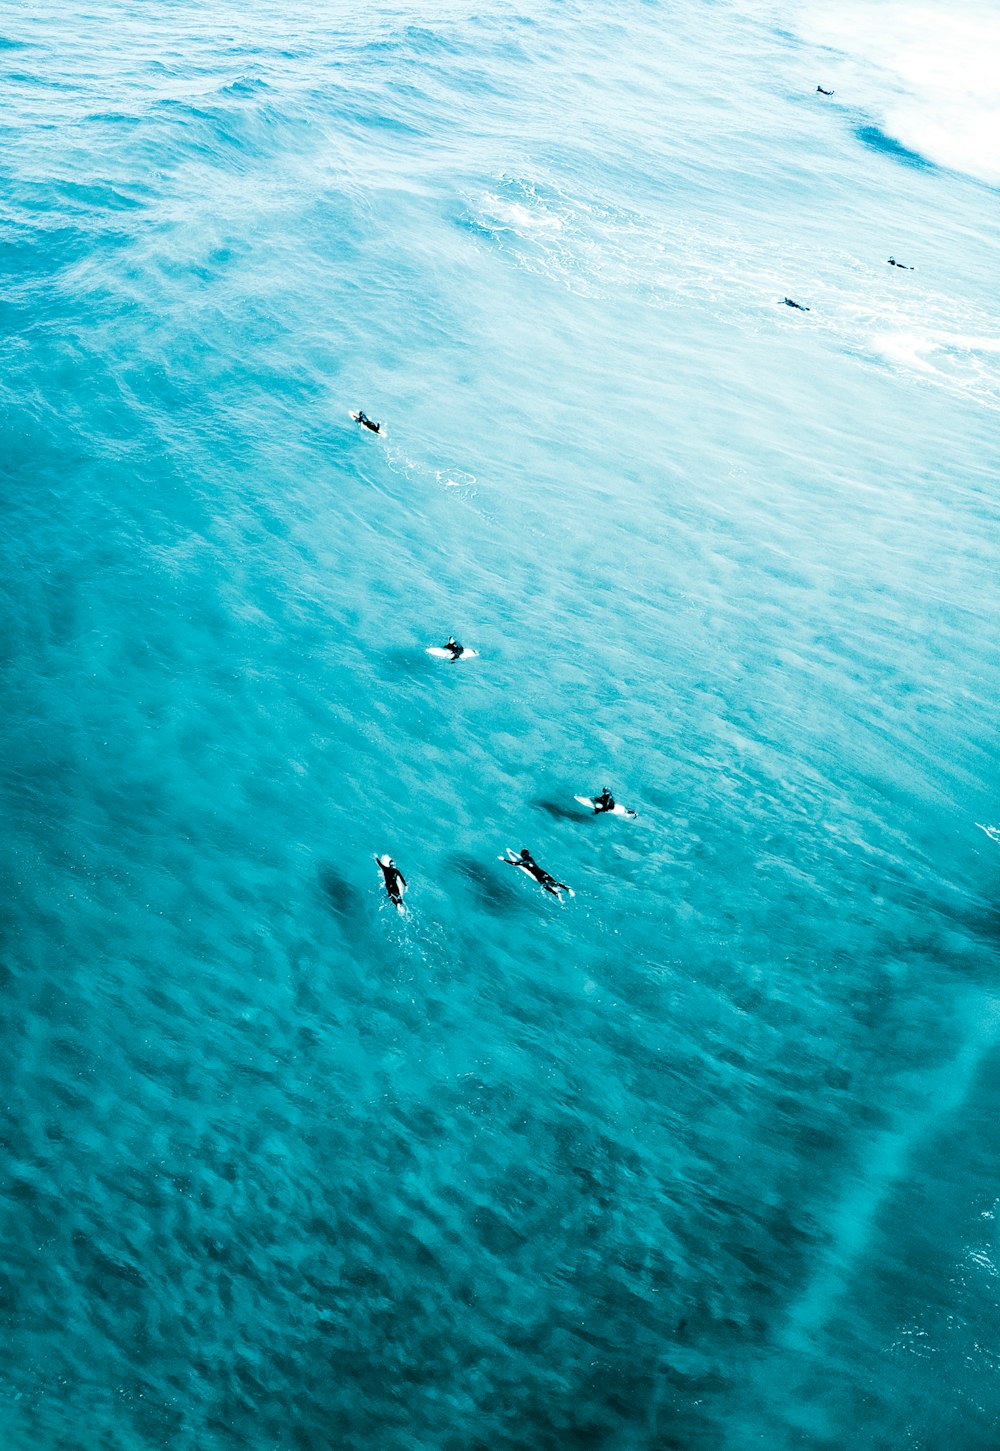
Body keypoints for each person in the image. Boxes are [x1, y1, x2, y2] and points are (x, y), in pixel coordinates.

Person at [504, 848, 571, 898]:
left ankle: (556, 894)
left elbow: (514, 863)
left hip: (538, 876)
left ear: (523, 856)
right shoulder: (530, 858)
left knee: (545, 886)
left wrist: (504, 859)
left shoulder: (523, 862)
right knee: (554, 883)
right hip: (543, 872)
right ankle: (566, 888)